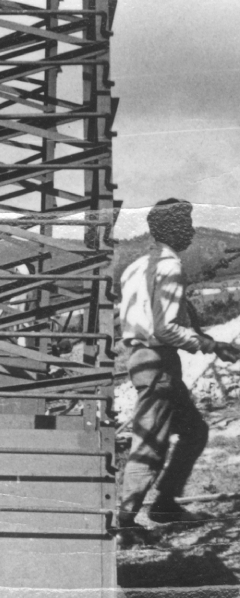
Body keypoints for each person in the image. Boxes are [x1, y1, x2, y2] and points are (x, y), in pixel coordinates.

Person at [117, 198, 240, 546]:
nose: (192, 230)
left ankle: (166, 503)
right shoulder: (169, 266)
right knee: (150, 446)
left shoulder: (136, 266)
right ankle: (125, 523)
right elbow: (165, 328)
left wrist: (203, 336)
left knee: (195, 431)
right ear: (172, 229)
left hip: (144, 360)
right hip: (158, 362)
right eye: (186, 224)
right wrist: (212, 346)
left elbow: (154, 316)